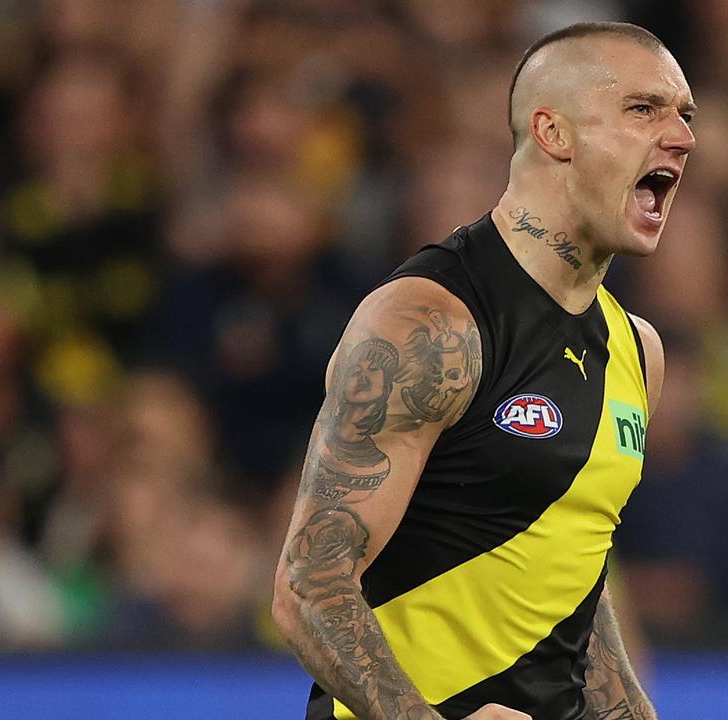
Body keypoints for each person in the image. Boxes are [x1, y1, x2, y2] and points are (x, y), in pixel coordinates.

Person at [270, 21, 695, 720]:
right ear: (553, 133)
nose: (681, 137)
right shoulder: (430, 325)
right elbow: (309, 584)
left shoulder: (636, 350)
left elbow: (570, 596)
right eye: (643, 109)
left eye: (685, 115)